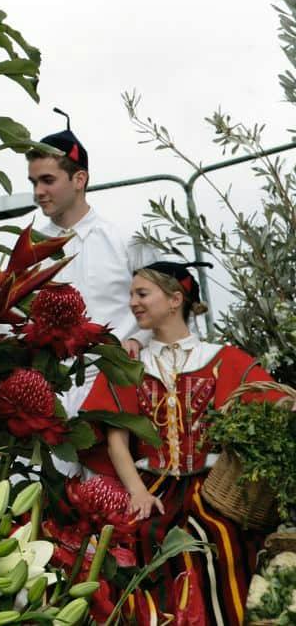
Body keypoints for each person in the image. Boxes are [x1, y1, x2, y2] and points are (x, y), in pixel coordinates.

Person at [86, 261, 277, 626]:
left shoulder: (223, 359)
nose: (133, 303)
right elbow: (116, 440)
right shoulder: (130, 363)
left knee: (219, 535)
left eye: (142, 294)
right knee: (142, 535)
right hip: (150, 485)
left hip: (215, 488)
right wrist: (137, 493)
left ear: (175, 300)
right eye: (131, 295)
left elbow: (273, 403)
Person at [27, 122, 159, 349]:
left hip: (120, 368)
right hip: (49, 370)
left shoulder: (127, 239)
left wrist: (138, 340)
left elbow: (169, 307)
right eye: (34, 182)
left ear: (79, 179)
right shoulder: (30, 249)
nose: (38, 191)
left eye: (48, 181)